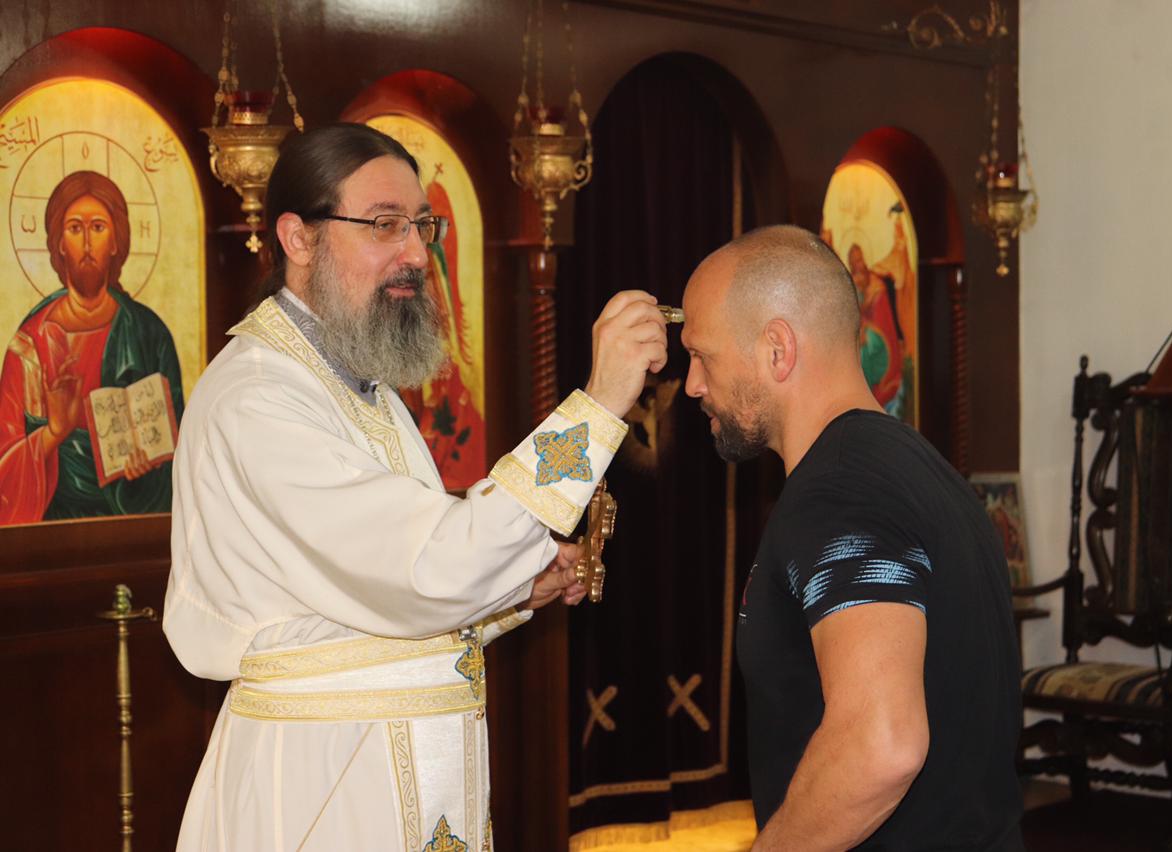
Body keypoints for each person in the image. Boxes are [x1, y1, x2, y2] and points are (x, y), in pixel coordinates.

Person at [163, 123, 667, 851]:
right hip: (319, 794)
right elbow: (433, 566)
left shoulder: (359, 387)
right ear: (298, 239)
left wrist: (513, 591)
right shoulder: (259, 398)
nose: (415, 254)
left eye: (421, 226)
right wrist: (596, 408)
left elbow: (381, 599)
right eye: (384, 225)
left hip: (376, 772)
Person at [680, 225, 1022, 850]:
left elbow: (881, 744)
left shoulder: (839, 492)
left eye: (703, 355)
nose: (692, 384)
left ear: (777, 349)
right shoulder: (915, 468)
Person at [0, 170, 182, 524]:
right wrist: (53, 434)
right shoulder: (30, 346)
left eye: (98, 227)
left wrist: (146, 472)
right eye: (74, 228)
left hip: (134, 532)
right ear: (58, 243)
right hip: (50, 533)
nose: (86, 243)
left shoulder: (150, 334)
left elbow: (179, 454)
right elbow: (5, 470)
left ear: (116, 241)